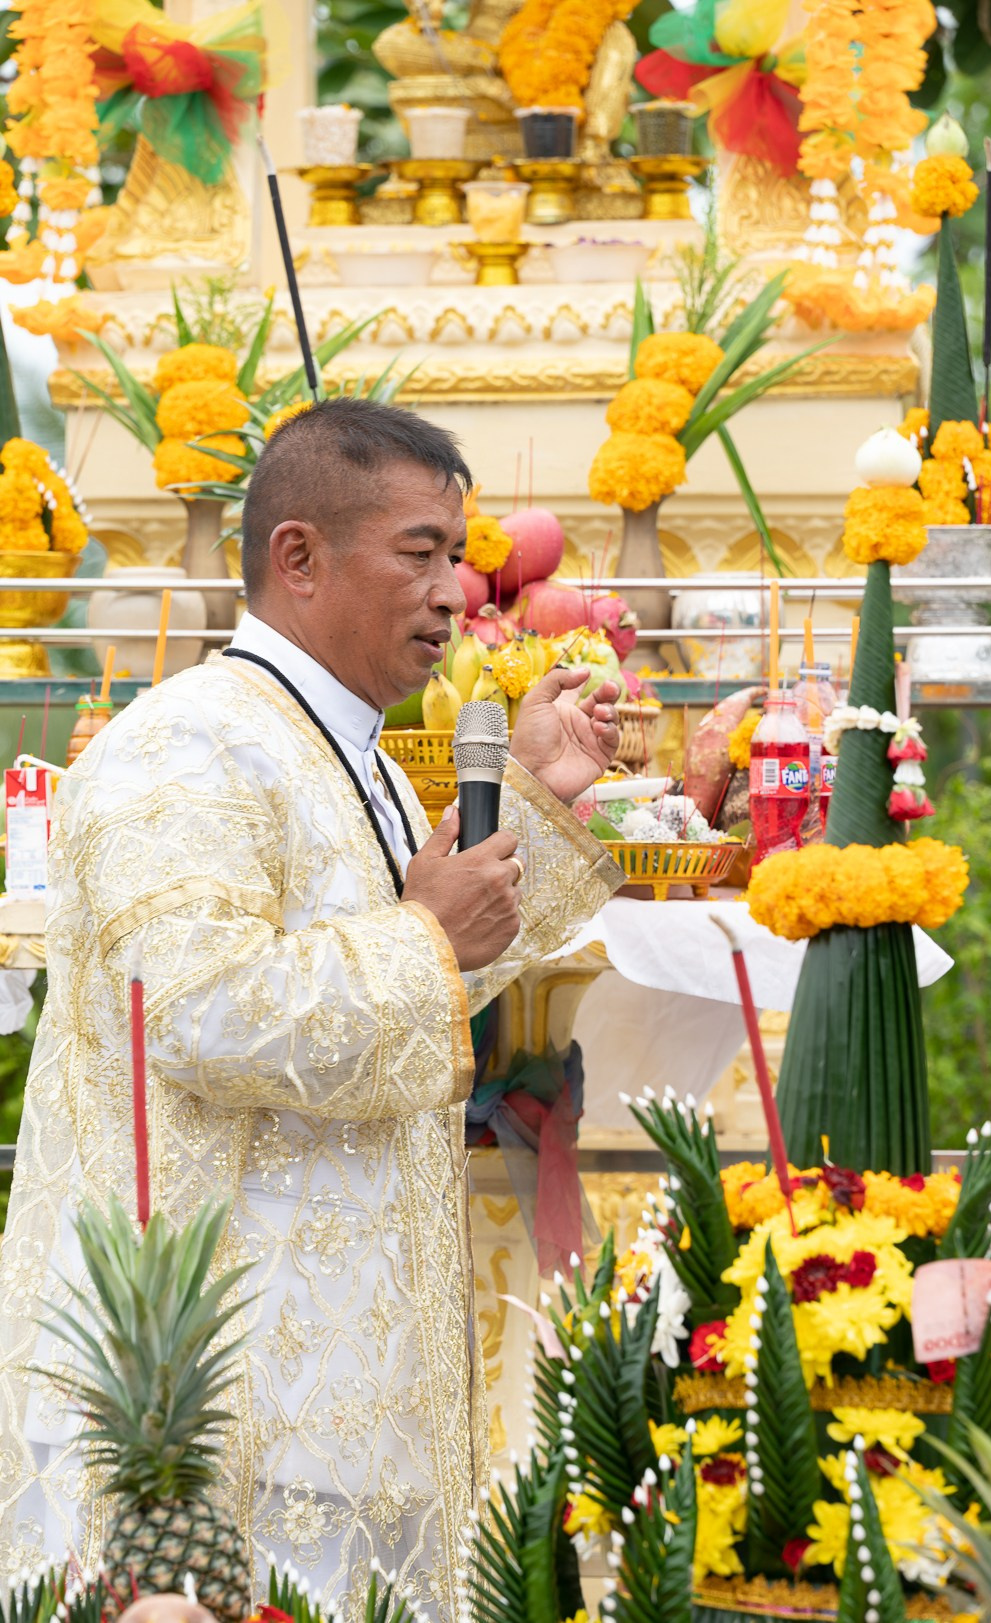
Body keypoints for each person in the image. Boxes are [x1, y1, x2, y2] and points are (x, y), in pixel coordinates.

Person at [0, 398, 624, 1617]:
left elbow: (406, 1001)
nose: (455, 593)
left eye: (459, 555)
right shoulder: (185, 750)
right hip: (225, 1409)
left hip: (345, 1379)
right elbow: (197, 1010)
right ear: (298, 557)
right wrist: (422, 934)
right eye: (419, 553)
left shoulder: (357, 753)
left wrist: (536, 810)